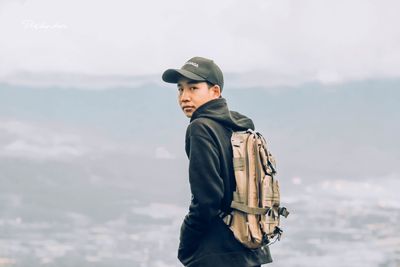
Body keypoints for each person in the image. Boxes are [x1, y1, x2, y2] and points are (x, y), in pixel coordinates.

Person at [162, 57, 273, 267]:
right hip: (249, 245)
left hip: (217, 253)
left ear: (215, 92)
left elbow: (207, 199)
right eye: (180, 89)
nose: (184, 97)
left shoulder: (200, 128)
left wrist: (188, 238)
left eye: (193, 88)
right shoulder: (239, 126)